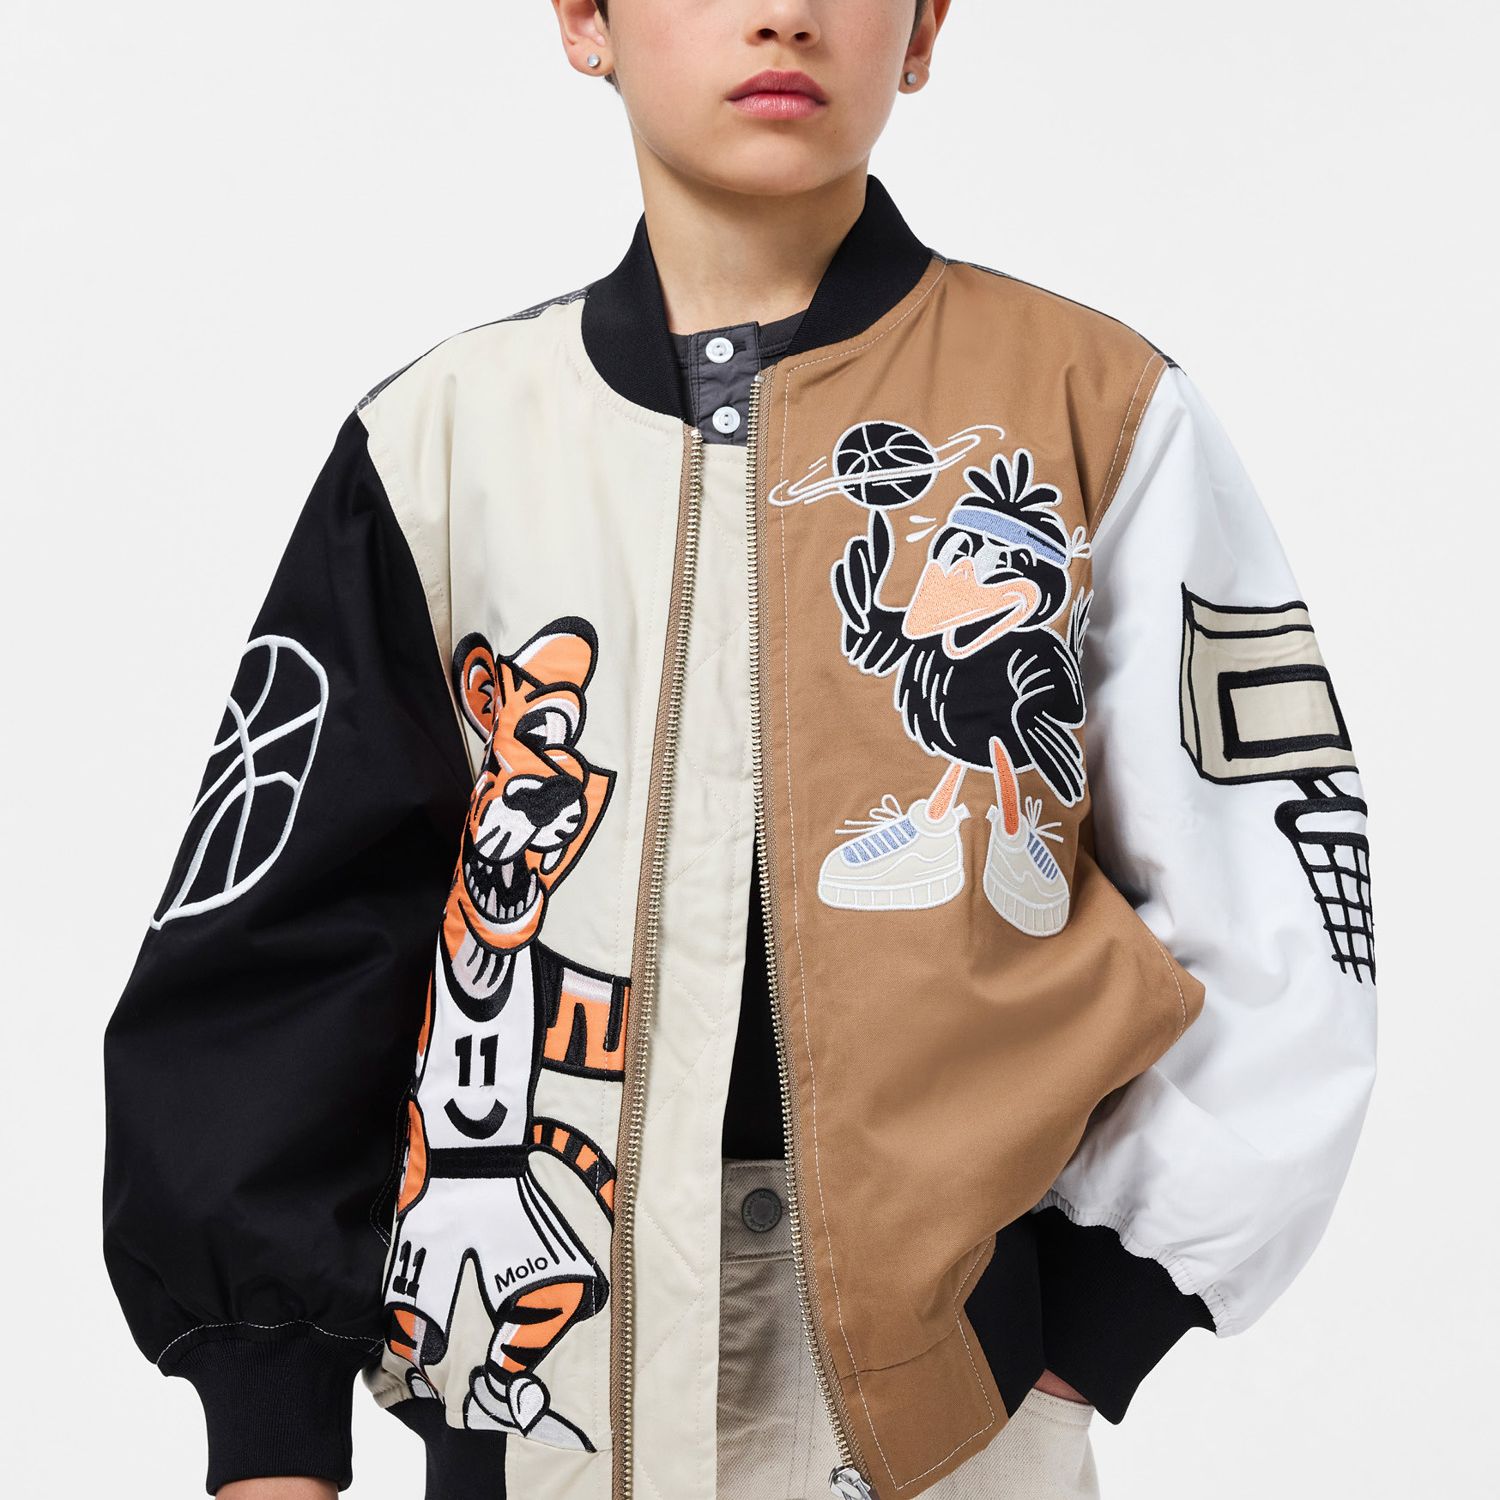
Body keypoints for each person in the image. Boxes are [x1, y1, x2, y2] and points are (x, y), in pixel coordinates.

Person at [100, 3, 1379, 1498]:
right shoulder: (445, 444)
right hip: (540, 1373)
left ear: (922, 30)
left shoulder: (1092, 405)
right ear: (585, 20)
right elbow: (290, 938)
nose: (782, 12)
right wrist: (271, 1421)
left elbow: (1277, 893)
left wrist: (1086, 1333)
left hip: (957, 1394)